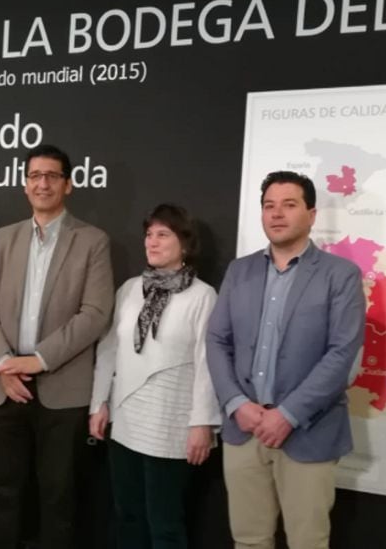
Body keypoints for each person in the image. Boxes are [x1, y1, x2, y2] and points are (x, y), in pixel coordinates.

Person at [205, 171, 365, 549]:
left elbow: (342, 354)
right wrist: (235, 403)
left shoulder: (340, 275)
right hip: (243, 431)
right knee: (248, 541)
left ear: (311, 214)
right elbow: (216, 340)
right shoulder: (239, 271)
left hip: (308, 433)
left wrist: (287, 414)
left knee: (307, 542)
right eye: (269, 206)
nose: (276, 214)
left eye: (288, 205)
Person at [0, 144, 114, 549]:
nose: (43, 183)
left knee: (58, 500)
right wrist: (5, 363)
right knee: (6, 495)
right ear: (24, 184)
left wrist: (36, 361)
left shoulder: (92, 241)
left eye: (52, 176)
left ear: (68, 185)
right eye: (35, 176)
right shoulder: (3, 238)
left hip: (62, 389)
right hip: (6, 389)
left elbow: (95, 313)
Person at [89, 204, 219, 549]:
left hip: (171, 424)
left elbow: (207, 363)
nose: (152, 242)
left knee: (165, 522)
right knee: (127, 515)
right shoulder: (130, 289)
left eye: (163, 234)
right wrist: (99, 403)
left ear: (185, 244)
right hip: (126, 419)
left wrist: (201, 423)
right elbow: (108, 349)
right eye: (149, 234)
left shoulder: (203, 296)